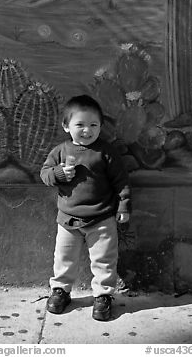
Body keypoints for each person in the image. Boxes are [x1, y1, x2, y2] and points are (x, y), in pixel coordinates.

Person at [40, 94, 131, 321]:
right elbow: (45, 175)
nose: (87, 130)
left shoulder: (106, 152)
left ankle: (103, 295)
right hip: (68, 219)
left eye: (93, 125)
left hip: (101, 219)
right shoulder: (60, 151)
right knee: (63, 257)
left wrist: (123, 206)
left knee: (104, 260)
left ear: (101, 126)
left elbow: (121, 181)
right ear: (66, 126)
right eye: (79, 125)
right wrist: (59, 173)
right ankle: (61, 290)